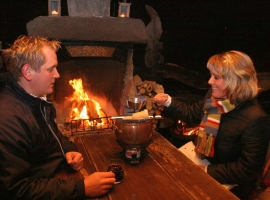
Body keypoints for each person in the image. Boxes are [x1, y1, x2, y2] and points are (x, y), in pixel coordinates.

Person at [0, 35, 115, 199]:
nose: (58, 75)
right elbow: (15, 190)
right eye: (50, 69)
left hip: (58, 177)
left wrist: (67, 150)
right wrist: (81, 188)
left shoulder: (37, 101)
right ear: (28, 72)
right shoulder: (7, 120)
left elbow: (53, 135)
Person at [154, 50, 270, 199]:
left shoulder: (256, 119)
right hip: (204, 162)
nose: (209, 81)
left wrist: (207, 171)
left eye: (216, 77)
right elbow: (192, 113)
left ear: (234, 81)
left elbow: (247, 170)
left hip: (232, 186)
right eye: (211, 76)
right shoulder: (214, 97)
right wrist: (168, 102)